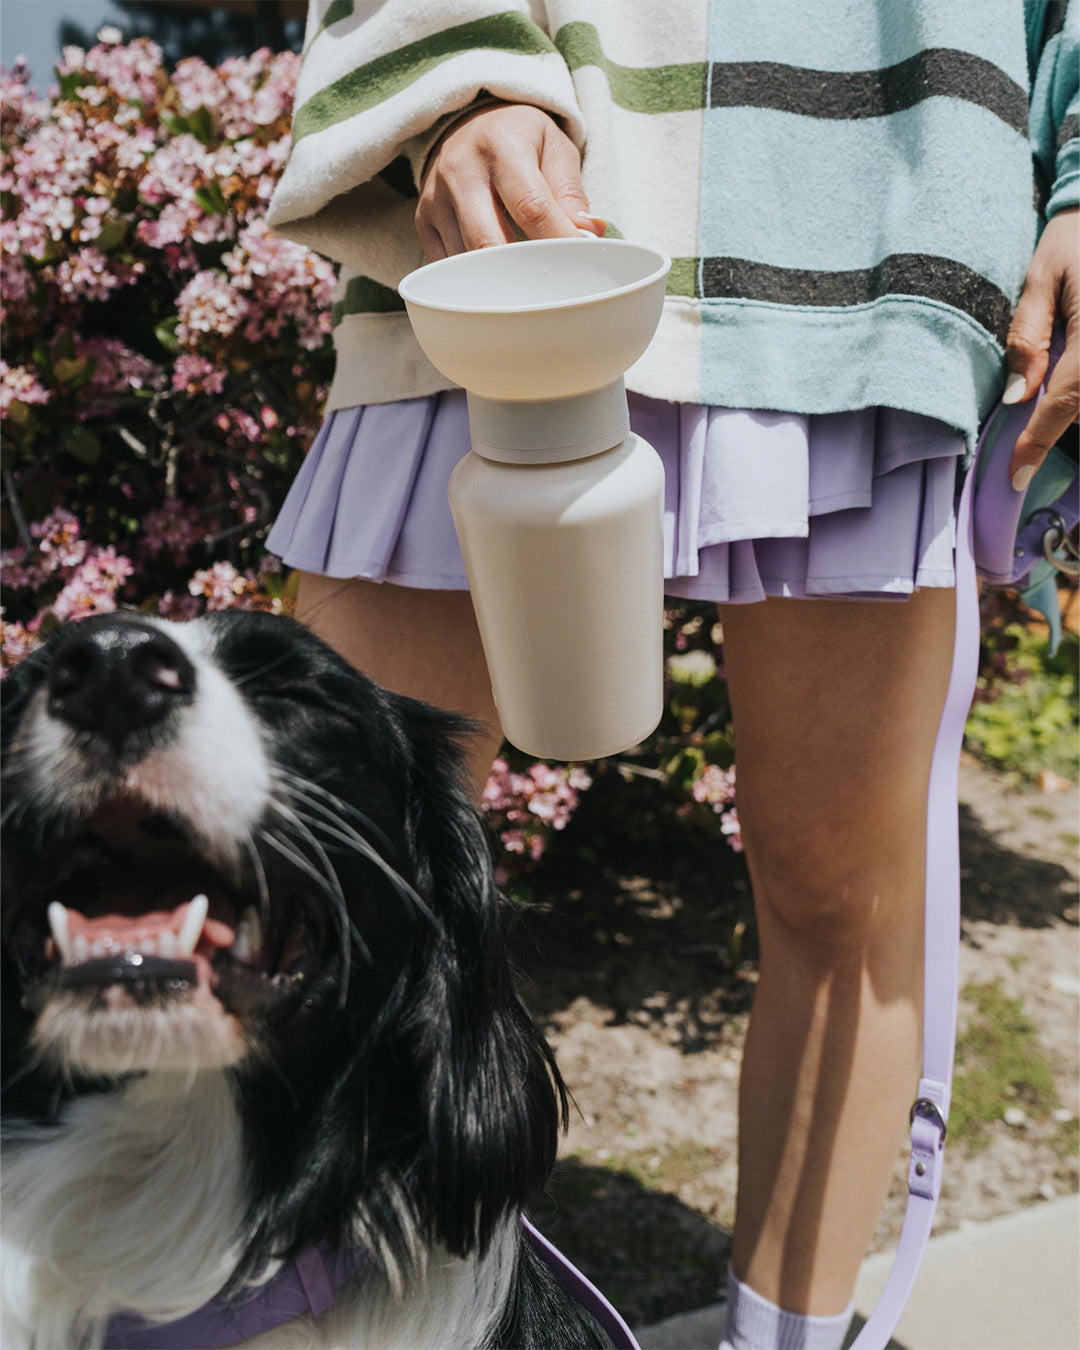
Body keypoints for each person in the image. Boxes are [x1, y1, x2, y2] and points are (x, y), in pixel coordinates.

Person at [266, 3, 1078, 1345]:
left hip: (892, 207)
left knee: (841, 899)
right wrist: (462, 86)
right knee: (335, 883)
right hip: (524, 219)